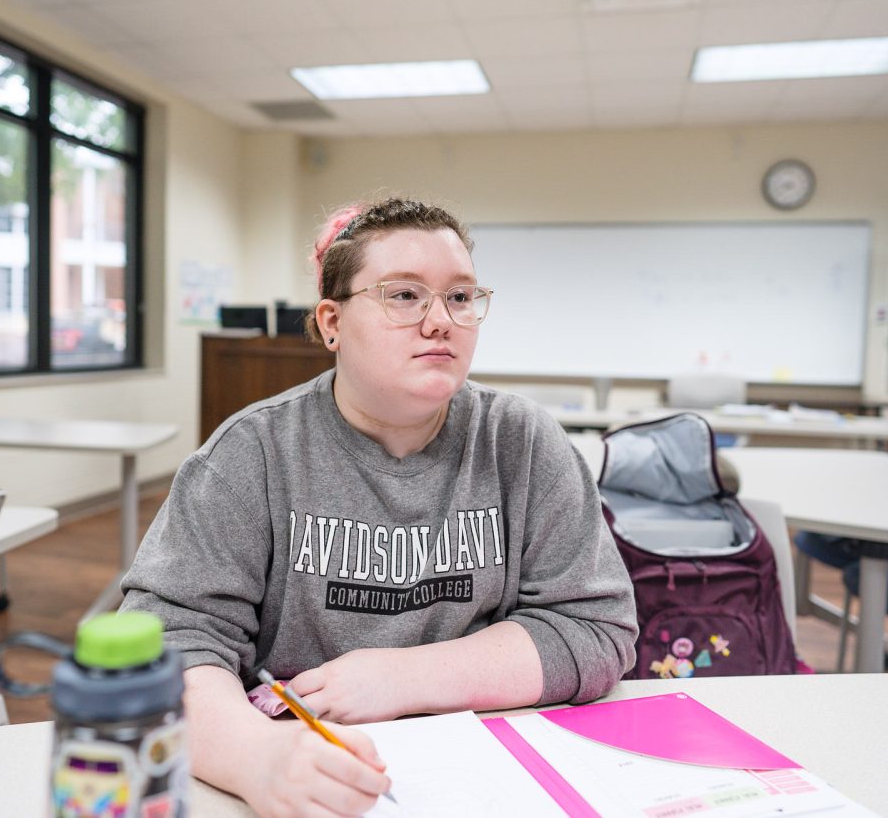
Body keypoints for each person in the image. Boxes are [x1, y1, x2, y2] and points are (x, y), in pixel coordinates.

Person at [121, 196, 637, 816]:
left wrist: (400, 677)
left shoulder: (522, 442)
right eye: (404, 295)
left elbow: (595, 628)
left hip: (487, 776)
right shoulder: (249, 456)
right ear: (332, 323)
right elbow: (165, 645)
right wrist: (256, 757)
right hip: (299, 766)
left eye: (460, 296)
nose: (441, 321)